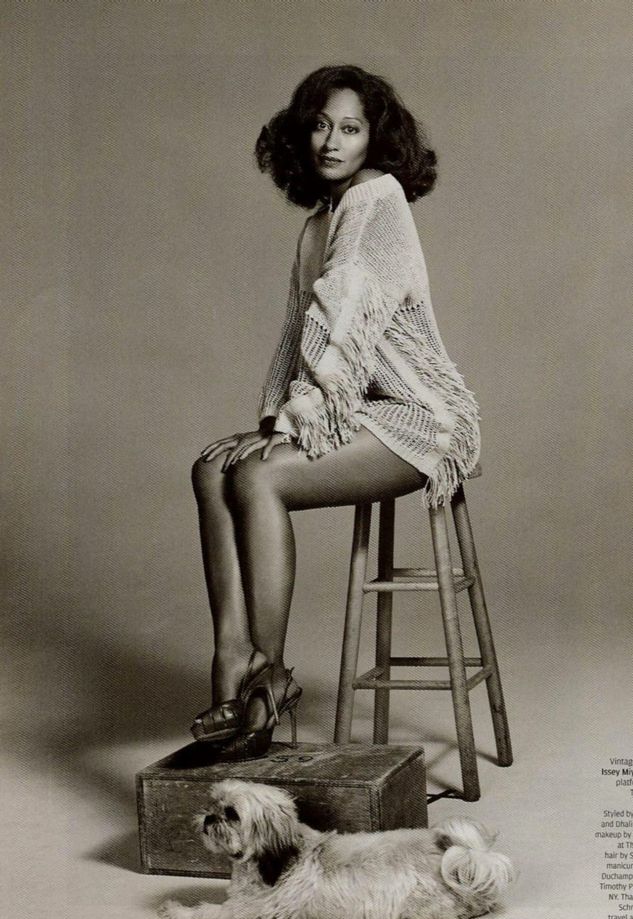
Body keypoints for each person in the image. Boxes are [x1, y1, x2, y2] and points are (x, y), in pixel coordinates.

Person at [190, 65, 480, 753]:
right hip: (360, 412)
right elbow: (298, 338)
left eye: (349, 128)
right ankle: (232, 659)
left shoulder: (376, 200)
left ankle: (266, 672)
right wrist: (269, 425)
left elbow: (343, 333)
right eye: (320, 124)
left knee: (257, 478)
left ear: (374, 138)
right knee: (212, 469)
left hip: (420, 420)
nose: (330, 140)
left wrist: (288, 433)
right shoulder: (318, 223)